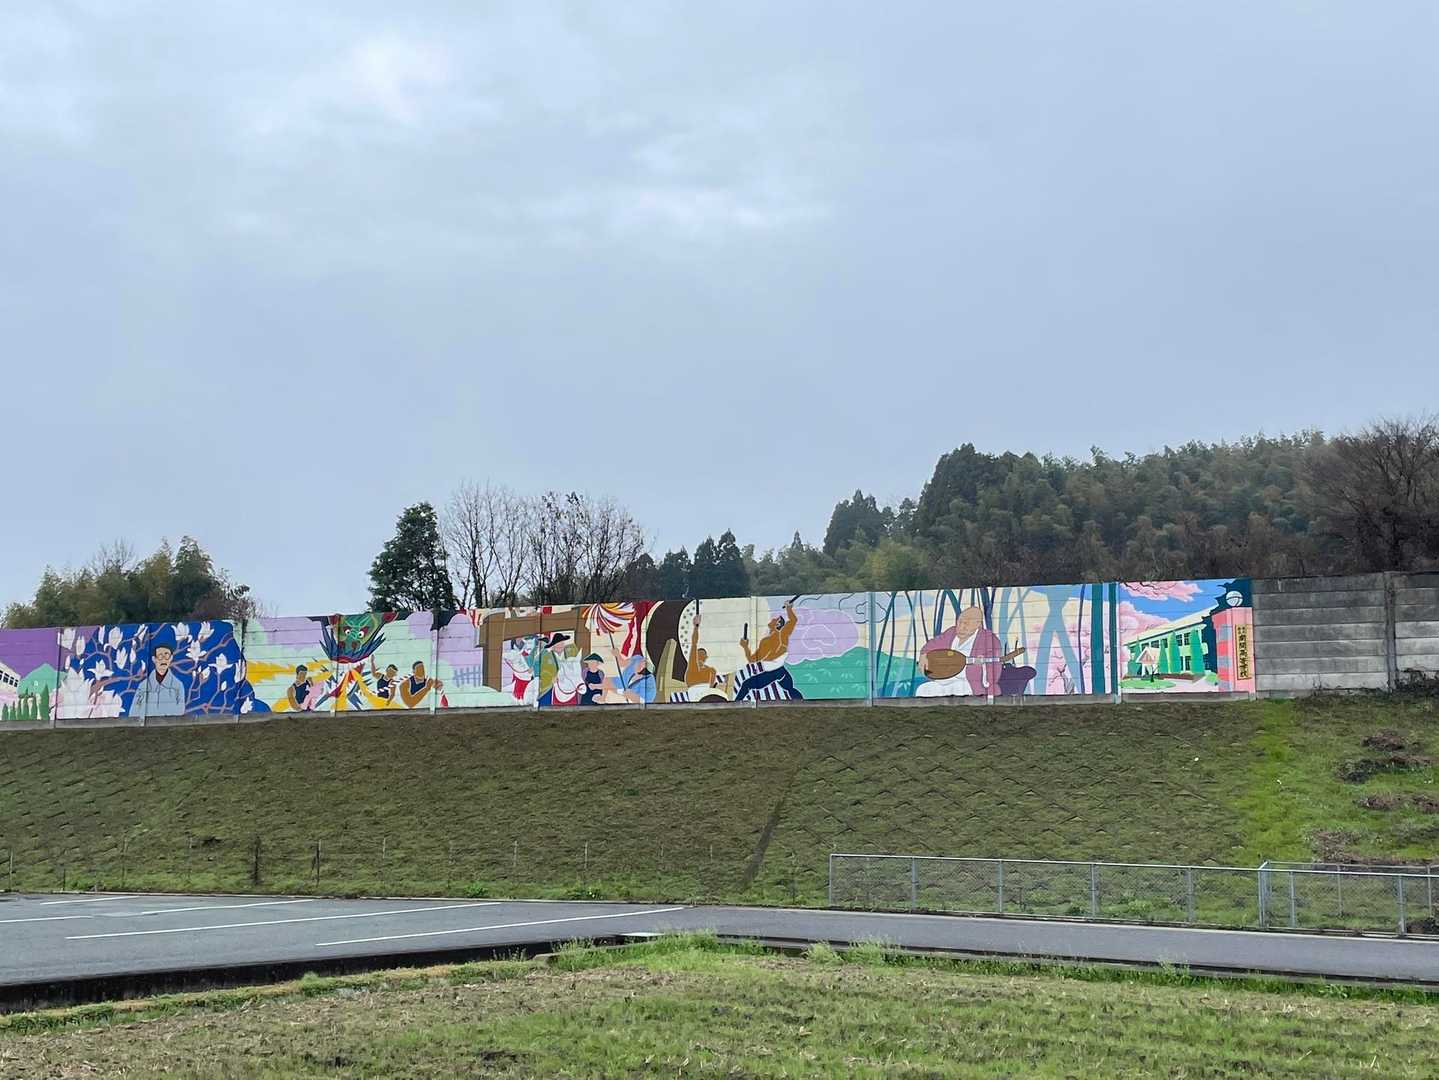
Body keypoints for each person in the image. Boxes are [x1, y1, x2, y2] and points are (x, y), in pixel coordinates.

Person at [732, 601, 804, 701]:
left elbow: (752, 659)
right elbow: (793, 620)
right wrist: (788, 608)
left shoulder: (768, 641)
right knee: (790, 689)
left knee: (746, 685)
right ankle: (802, 703)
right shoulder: (783, 634)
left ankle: (735, 704)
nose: (772, 619)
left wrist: (745, 646)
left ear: (777, 624)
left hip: (772, 672)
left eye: (775, 619)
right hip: (781, 671)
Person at [129, 642, 188, 718]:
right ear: (154, 659)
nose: (163, 659)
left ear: (171, 658)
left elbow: (180, 711)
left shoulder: (178, 686)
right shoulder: (143, 686)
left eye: (167, 655)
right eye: (160, 656)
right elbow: (133, 712)